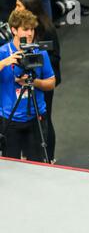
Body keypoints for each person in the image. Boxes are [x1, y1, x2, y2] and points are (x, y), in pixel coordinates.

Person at [0, 9, 55, 162]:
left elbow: (51, 83)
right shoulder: (3, 52)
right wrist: (5, 62)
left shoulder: (39, 52)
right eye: (25, 29)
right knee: (11, 167)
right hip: (10, 119)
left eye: (32, 29)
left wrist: (32, 82)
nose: (30, 33)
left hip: (35, 117)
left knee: (37, 166)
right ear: (14, 30)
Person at [16, 0, 61, 163]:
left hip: (45, 80)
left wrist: (38, 65)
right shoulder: (20, 26)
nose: (16, 9)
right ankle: (29, 154)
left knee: (44, 118)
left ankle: (49, 157)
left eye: (19, 6)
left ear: (30, 8)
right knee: (28, 117)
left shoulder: (46, 29)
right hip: (27, 78)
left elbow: (55, 58)